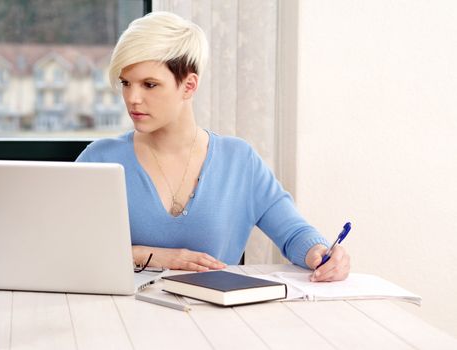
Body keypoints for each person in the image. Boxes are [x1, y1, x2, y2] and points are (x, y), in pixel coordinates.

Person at [76, 11, 350, 282]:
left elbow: (294, 234)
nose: (132, 98)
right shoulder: (99, 158)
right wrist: (145, 255)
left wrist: (322, 254)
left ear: (189, 85)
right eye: (126, 83)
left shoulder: (238, 161)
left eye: (149, 84)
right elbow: (64, 248)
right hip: (123, 320)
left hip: (214, 321)